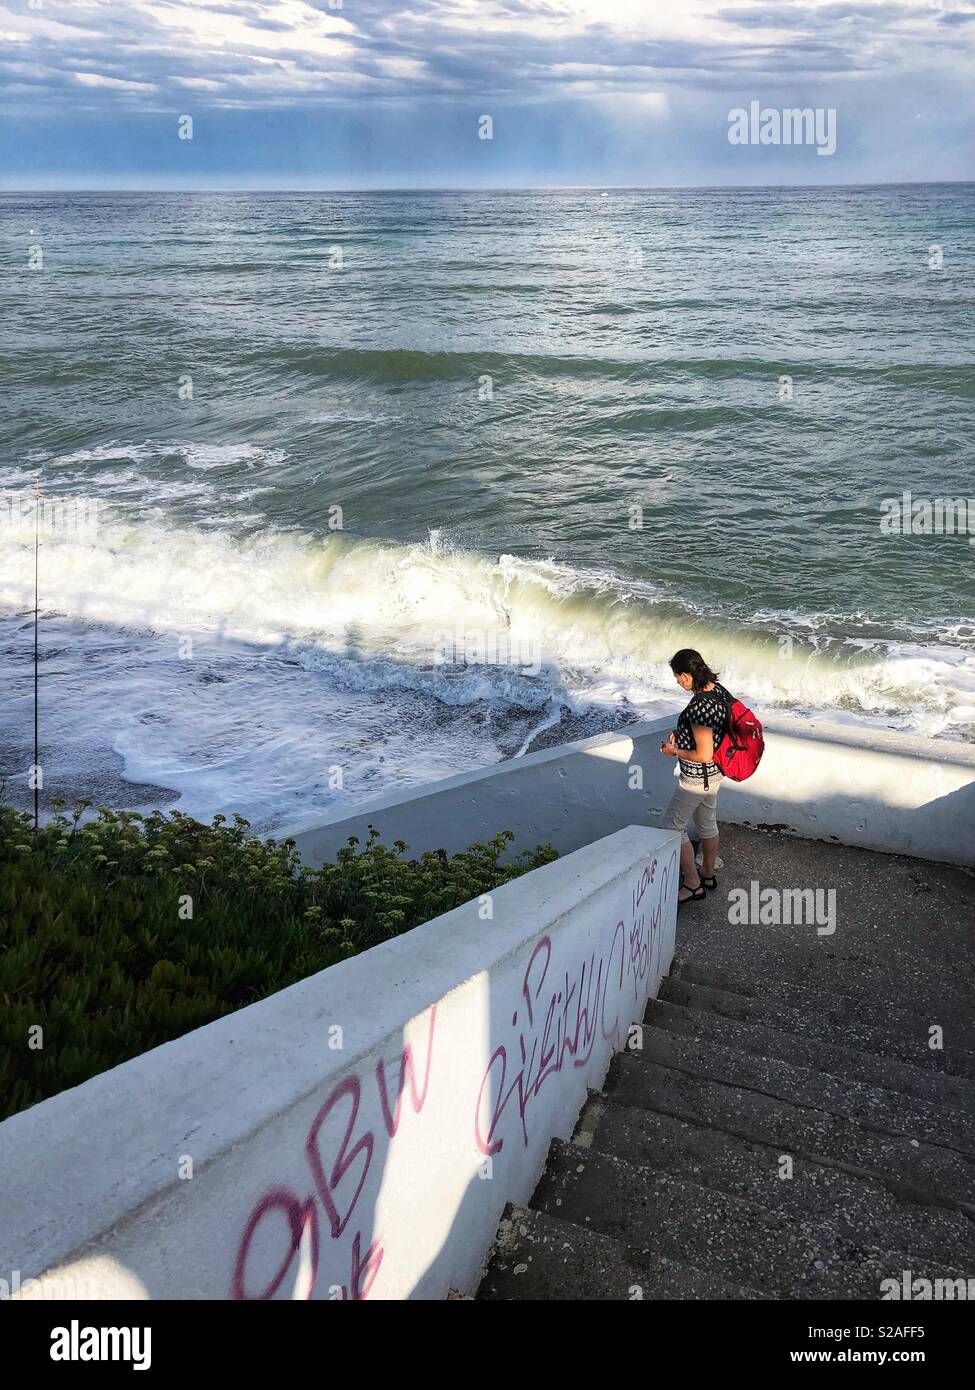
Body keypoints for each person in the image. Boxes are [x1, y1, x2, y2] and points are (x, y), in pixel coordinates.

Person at [659, 648, 732, 906]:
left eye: (678, 676)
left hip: (697, 780)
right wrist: (683, 734)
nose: (677, 681)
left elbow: (703, 753)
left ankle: (692, 884)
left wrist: (674, 750)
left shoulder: (701, 706)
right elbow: (713, 734)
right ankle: (708, 875)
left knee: (670, 827)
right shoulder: (717, 690)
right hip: (715, 775)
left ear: (688, 675)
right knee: (706, 824)